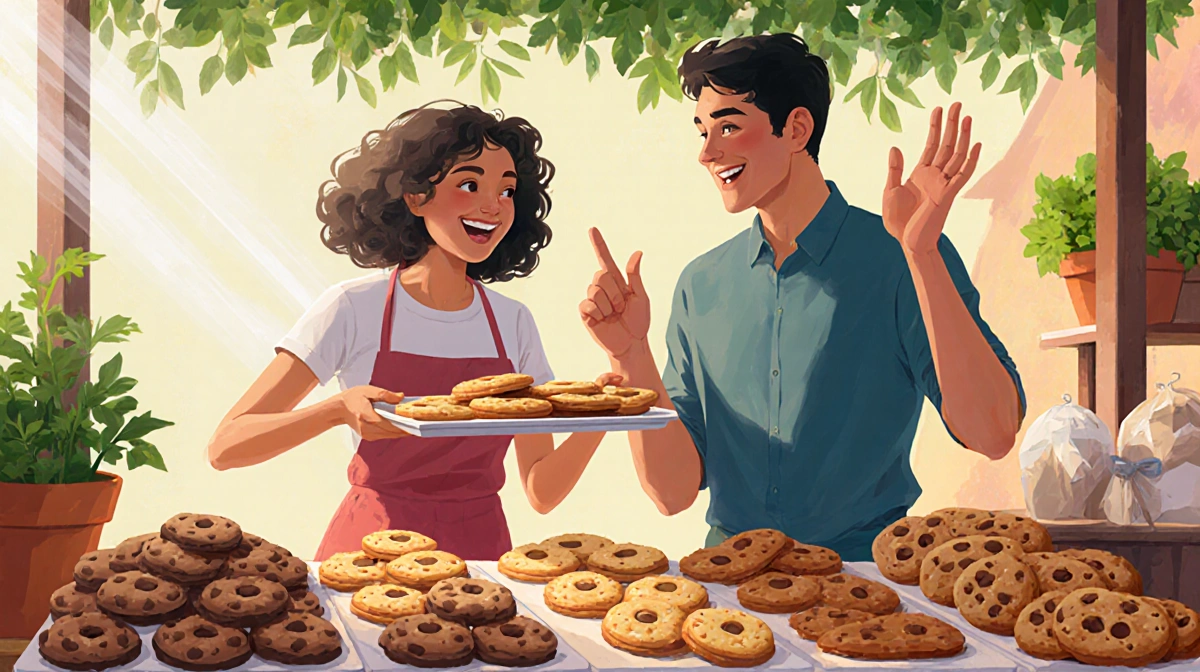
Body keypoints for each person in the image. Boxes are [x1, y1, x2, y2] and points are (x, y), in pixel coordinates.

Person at [579, 34, 1026, 560]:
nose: (706, 153)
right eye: (702, 131)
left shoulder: (900, 255)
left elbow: (993, 434)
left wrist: (922, 254)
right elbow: (673, 493)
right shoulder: (700, 285)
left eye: (728, 127)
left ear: (795, 129)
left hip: (866, 580)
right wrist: (631, 354)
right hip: (728, 581)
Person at [207, 101, 617, 561]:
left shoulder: (512, 322)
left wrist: (601, 417)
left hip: (479, 559)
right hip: (370, 552)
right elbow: (226, 446)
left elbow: (541, 491)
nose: (493, 206)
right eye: (469, 184)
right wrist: (336, 410)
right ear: (415, 196)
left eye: (507, 191)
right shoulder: (352, 307)